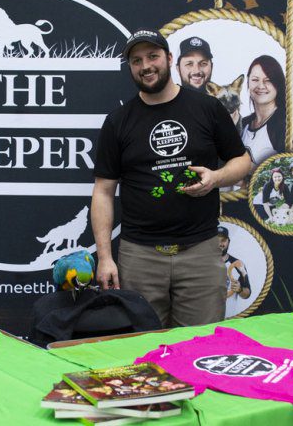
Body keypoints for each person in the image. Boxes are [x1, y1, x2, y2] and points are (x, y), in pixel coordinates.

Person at [91, 28, 252, 327]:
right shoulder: (118, 122)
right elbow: (103, 191)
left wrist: (217, 177)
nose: (146, 66)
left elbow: (242, 160)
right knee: (139, 354)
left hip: (201, 252)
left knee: (200, 351)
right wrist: (104, 257)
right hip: (139, 258)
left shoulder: (207, 107)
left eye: (153, 56)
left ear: (169, 58)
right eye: (136, 61)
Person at [239, 55, 293, 168]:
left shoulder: (286, 127)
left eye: (268, 80)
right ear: (248, 82)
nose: (261, 86)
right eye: (255, 80)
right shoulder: (243, 124)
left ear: (278, 84)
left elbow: (292, 173)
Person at [218, 226, 251, 318]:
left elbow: (247, 293)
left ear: (228, 242)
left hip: (229, 319)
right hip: (206, 319)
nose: (220, 243)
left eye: (223, 240)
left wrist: (240, 289)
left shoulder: (238, 265)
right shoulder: (203, 264)